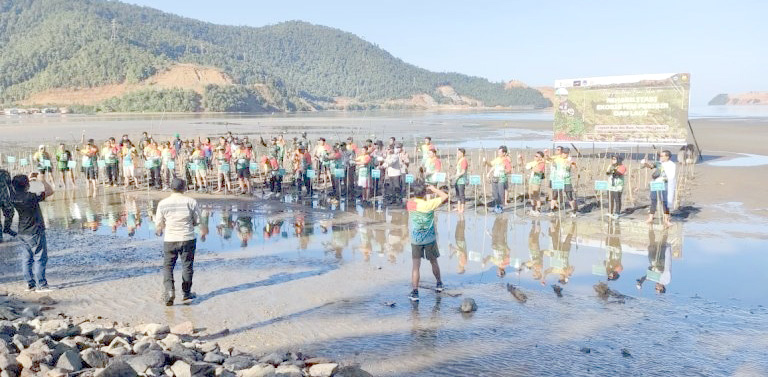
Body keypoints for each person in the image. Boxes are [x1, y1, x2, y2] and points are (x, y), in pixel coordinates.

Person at [154, 178, 200, 306]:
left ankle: (169, 292)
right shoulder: (191, 202)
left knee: (168, 266)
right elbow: (197, 220)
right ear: (184, 188)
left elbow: (158, 223)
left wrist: (160, 229)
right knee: (187, 265)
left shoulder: (163, 203)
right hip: (188, 237)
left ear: (171, 188)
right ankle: (186, 293)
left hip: (170, 239)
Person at [11, 174, 54, 292]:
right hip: (35, 230)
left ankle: (30, 284)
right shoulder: (31, 197)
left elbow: (16, 187)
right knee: (40, 257)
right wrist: (42, 180)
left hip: (22, 231)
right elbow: (50, 191)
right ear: (27, 185)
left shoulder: (13, 197)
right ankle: (42, 284)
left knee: (26, 258)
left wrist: (27, 181)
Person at [407, 183, 448, 301]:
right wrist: (434, 190)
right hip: (430, 238)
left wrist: (423, 193)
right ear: (424, 193)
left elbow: (412, 198)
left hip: (416, 239)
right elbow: (445, 196)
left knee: (416, 266)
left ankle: (415, 292)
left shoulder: (411, 204)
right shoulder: (430, 204)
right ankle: (439, 283)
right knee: (434, 262)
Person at [641, 150, 676, 226]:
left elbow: (671, 176)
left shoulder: (671, 164)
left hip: (665, 184)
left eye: (662, 156)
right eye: (660, 156)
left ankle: (666, 219)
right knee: (653, 200)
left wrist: (664, 178)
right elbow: (650, 166)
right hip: (656, 184)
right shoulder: (658, 163)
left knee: (665, 202)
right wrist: (645, 163)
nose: (661, 157)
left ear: (667, 157)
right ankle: (650, 218)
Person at [547, 147, 578, 217]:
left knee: (569, 196)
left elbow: (575, 168)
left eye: (567, 153)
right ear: (562, 153)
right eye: (564, 153)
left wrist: (571, 163)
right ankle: (551, 210)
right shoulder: (557, 159)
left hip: (567, 180)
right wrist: (546, 155)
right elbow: (549, 159)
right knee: (554, 195)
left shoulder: (570, 159)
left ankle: (574, 211)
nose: (565, 155)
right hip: (558, 180)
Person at [485, 145, 512, 213]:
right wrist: (486, 161)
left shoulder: (506, 160)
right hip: (495, 178)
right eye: (498, 152)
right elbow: (491, 165)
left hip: (501, 178)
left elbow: (509, 170)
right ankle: (496, 206)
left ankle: (500, 207)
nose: (498, 153)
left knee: (501, 193)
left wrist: (503, 171)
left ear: (504, 153)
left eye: (500, 152)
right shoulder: (497, 159)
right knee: (495, 193)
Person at [524, 151, 546, 216]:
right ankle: (533, 209)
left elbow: (538, 170)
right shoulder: (534, 163)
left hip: (536, 181)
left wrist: (531, 167)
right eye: (535, 156)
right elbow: (527, 166)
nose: (535, 157)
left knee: (536, 196)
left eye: (537, 156)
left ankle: (538, 210)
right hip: (531, 180)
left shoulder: (541, 163)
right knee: (531, 195)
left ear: (541, 157)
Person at [0, 169, 16, 243]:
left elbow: (10, 186)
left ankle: (7, 228)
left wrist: (13, 196)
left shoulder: (4, 173)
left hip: (4, 198)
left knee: (10, 212)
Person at [454, 148, 468, 213]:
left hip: (461, 180)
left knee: (461, 194)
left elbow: (463, 171)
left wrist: (456, 175)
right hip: (457, 180)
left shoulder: (464, 160)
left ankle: (462, 208)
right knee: (457, 194)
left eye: (458, 153)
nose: (457, 154)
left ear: (462, 154)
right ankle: (458, 207)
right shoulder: (459, 160)